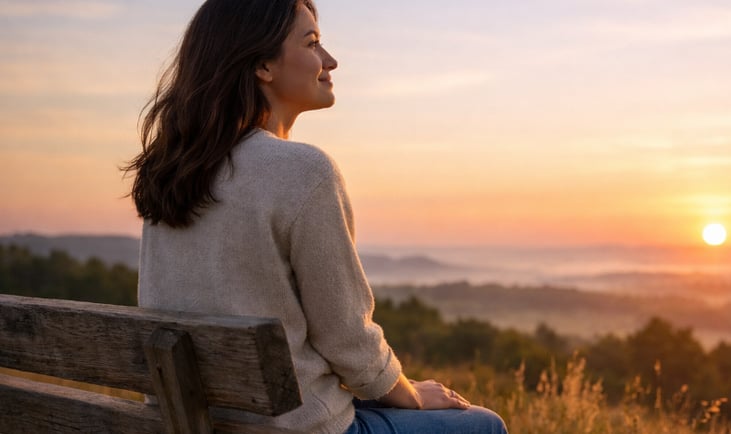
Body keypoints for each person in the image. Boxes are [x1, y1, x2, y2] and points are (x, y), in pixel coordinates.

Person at [124, 1, 508, 433]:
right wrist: (409, 392)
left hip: (191, 423)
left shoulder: (172, 173)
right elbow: (346, 339)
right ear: (263, 65)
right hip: (293, 428)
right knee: (482, 425)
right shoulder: (302, 171)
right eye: (312, 43)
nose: (330, 61)